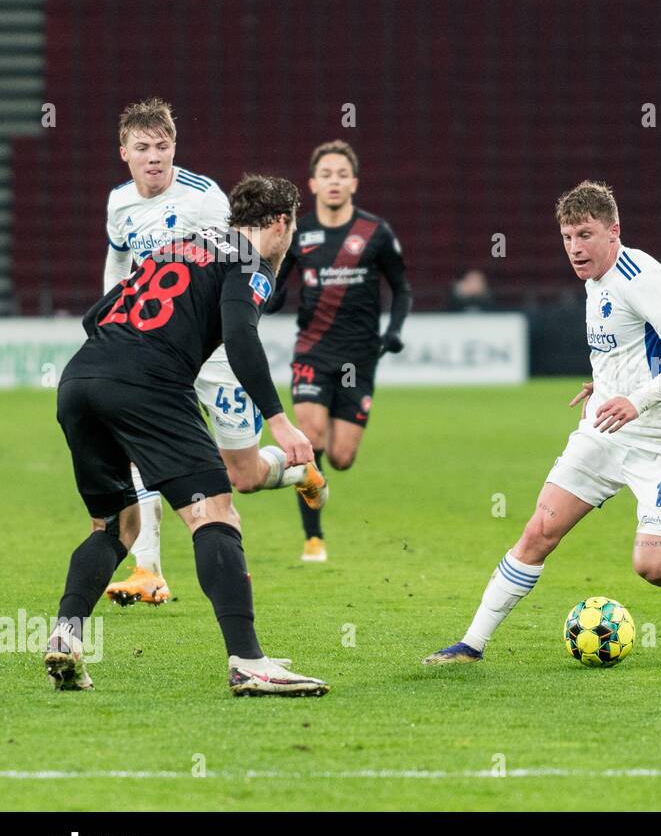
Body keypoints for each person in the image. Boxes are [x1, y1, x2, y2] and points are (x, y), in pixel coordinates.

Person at [48, 174, 329, 695]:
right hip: (149, 385)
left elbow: (96, 314)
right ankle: (248, 662)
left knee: (114, 526)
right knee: (214, 513)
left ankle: (65, 636)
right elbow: (242, 337)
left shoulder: (182, 243)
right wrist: (280, 420)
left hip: (81, 378)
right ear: (282, 223)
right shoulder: (251, 263)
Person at [424, 180, 661, 665]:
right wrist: (602, 385)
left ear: (613, 232)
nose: (575, 248)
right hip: (603, 434)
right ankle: (470, 645)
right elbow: (626, 348)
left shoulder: (642, 275)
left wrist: (636, 399)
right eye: (566, 237)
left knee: (652, 566)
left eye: (584, 235)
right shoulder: (594, 281)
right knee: (539, 531)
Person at [101, 99, 327, 606]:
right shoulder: (118, 204)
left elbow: (249, 257)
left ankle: (294, 468)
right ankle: (148, 569)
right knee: (142, 452)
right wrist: (112, 315)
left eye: (163, 146)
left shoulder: (205, 198)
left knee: (242, 477)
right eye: (143, 148)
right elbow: (118, 264)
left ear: (174, 147)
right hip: (156, 348)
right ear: (125, 153)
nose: (154, 157)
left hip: (216, 352)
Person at [267, 140, 412, 562]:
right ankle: (314, 538)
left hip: (360, 358)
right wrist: (267, 301)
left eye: (341, 174)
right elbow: (276, 288)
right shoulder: (300, 233)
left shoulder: (375, 232)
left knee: (342, 457)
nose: (334, 181)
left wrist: (396, 330)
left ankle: (312, 474)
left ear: (354, 182)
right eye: (326, 174)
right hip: (312, 352)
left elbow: (401, 287)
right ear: (312, 183)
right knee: (310, 440)